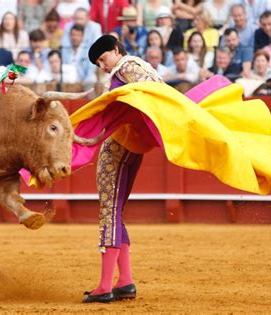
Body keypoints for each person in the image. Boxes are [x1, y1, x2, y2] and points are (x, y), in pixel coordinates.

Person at [82, 34, 163, 304]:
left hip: (119, 146)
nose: (103, 66)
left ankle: (105, 286)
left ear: (116, 50)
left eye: (103, 59)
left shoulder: (127, 67)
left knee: (109, 211)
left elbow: (153, 91)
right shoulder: (135, 65)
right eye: (98, 64)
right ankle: (124, 281)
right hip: (130, 145)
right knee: (115, 212)